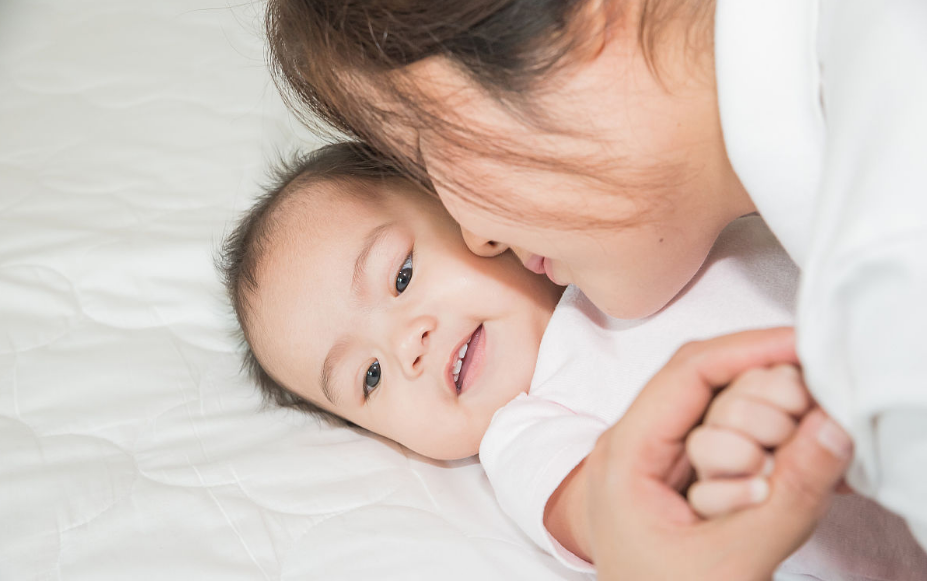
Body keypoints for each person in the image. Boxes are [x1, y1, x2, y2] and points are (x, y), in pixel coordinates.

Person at [265, 0, 927, 567]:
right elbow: (603, 512)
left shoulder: (889, 263)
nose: (476, 232)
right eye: (369, 378)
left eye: (423, 153)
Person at [219, 142, 926, 579]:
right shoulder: (522, 431)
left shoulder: (628, 233)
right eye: (367, 378)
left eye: (401, 275)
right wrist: (698, 466)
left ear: (470, 211)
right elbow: (606, 509)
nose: (408, 344)